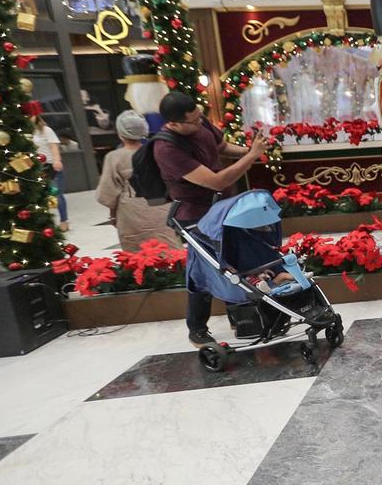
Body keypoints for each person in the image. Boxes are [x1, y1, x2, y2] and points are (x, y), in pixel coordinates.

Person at [153, 91, 267, 347]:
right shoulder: (166, 148)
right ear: (173, 123)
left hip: (222, 206)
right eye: (193, 122)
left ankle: (239, 317)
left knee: (232, 260)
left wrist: (251, 151)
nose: (199, 123)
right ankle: (197, 329)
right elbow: (216, 180)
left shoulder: (199, 121)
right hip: (193, 214)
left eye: (199, 117)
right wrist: (251, 157)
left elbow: (221, 147)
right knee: (204, 268)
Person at [96, 111, 180, 251]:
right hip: (162, 206)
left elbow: (108, 191)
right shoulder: (156, 151)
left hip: (131, 212)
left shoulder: (114, 157)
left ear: (120, 133)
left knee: (138, 254)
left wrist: (113, 213)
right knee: (167, 248)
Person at [31, 109, 68, 231]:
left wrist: (57, 160)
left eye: (31, 115)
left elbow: (53, 146)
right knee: (40, 197)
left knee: (57, 195)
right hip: (34, 169)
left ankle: (64, 221)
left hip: (51, 166)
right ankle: (46, 223)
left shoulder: (46, 130)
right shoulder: (23, 133)